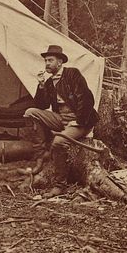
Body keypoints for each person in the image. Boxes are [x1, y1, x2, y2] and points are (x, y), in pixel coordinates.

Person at [23, 45, 97, 183]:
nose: (47, 64)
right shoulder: (50, 82)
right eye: (45, 61)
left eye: (50, 60)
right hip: (61, 118)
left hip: (80, 120)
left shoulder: (72, 74)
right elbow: (42, 106)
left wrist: (79, 121)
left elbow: (86, 99)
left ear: (60, 62)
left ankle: (60, 184)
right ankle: (41, 155)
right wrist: (41, 85)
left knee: (58, 143)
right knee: (30, 113)